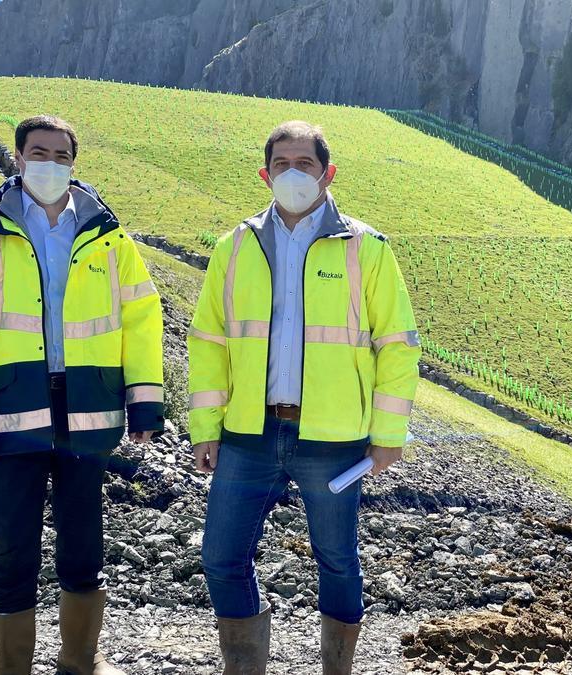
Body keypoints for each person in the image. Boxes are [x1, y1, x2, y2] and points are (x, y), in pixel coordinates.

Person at [0, 115, 165, 674]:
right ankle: (11, 663)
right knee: (13, 546)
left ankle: (80, 660)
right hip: (10, 413)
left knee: (84, 544)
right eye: (39, 152)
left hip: (90, 408)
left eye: (61, 155)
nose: (50, 164)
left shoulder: (109, 238)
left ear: (73, 163)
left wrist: (145, 400)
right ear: (17, 157)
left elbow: (142, 318)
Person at [187, 120, 421, 674]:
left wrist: (387, 438)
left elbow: (398, 347)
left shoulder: (368, 249)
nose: (293, 174)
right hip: (248, 434)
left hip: (333, 439)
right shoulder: (235, 247)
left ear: (328, 173)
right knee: (221, 559)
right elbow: (208, 343)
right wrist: (204, 428)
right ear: (265, 173)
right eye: (283, 165)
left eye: (306, 164)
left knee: (337, 560)